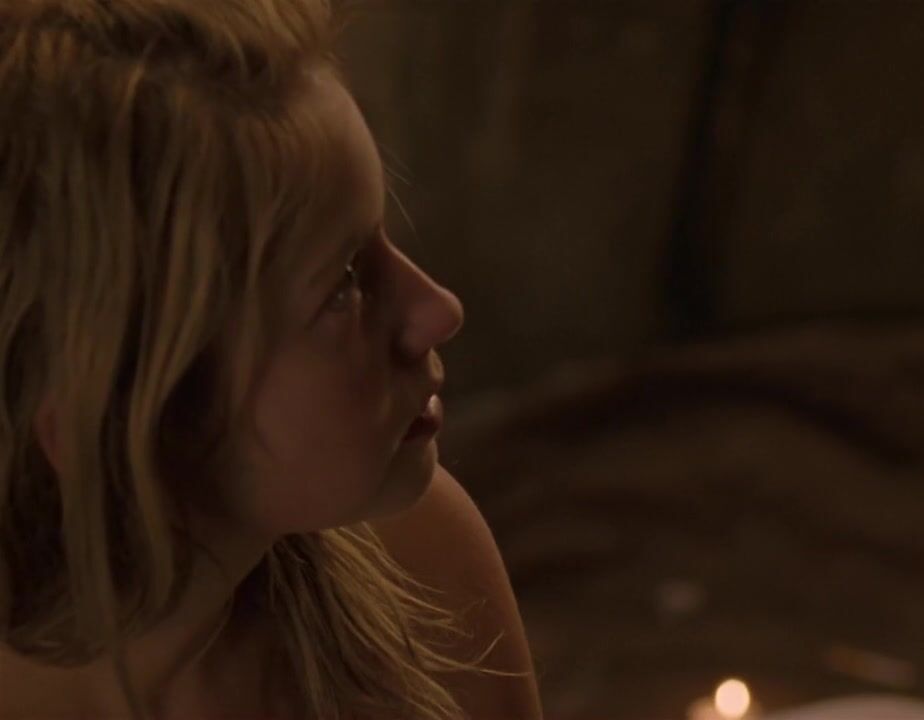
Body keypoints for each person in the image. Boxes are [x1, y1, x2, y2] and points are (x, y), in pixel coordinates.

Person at [0, 0, 542, 718]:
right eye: (342, 285)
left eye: (380, 235)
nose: (438, 308)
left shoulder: (419, 557)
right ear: (117, 424)